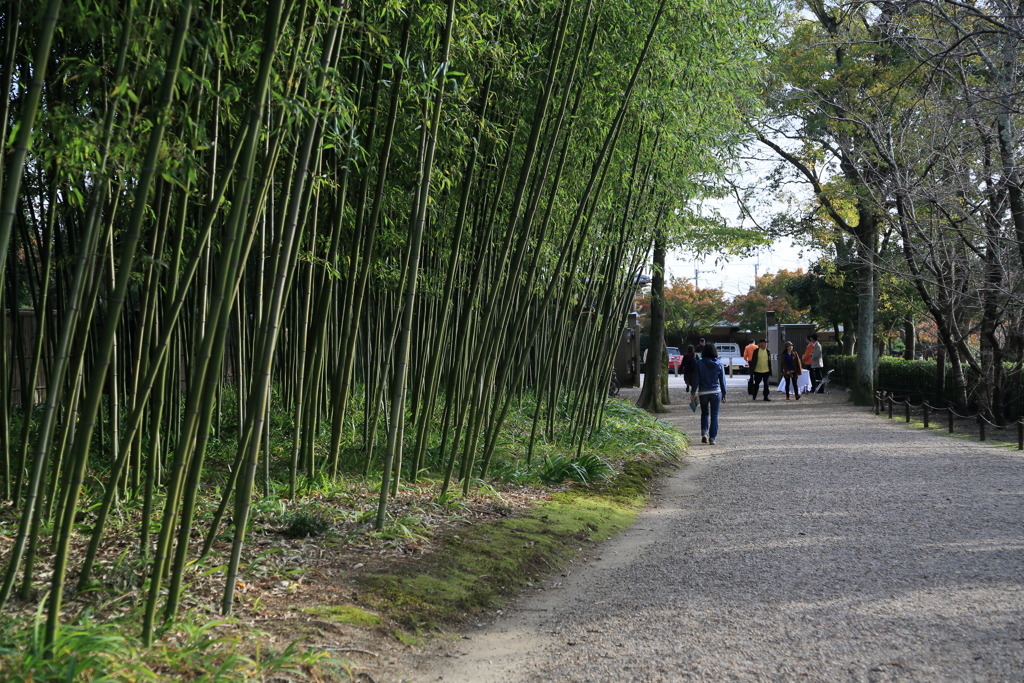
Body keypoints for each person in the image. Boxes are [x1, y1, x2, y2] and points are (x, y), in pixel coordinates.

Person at [689, 344, 727, 444]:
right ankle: (712, 438)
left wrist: (693, 393)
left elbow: (696, 380)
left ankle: (705, 433)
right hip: (715, 392)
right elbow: (722, 381)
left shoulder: (699, 363)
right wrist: (724, 394)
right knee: (714, 415)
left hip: (703, 392)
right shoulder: (719, 364)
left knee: (704, 413)